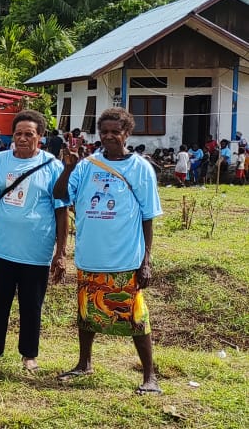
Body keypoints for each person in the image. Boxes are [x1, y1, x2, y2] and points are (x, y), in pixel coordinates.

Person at [54, 107, 163, 394]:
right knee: (86, 313)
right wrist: (68, 166)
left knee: (136, 318)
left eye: (116, 131)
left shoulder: (140, 168)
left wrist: (146, 260)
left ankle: (149, 376)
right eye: (104, 132)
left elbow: (148, 216)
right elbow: (60, 194)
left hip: (125, 258)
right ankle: (84, 363)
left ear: (127, 133)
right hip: (90, 255)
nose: (110, 136)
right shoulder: (87, 165)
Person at [0, 110, 68, 372]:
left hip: (37, 250)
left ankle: (29, 355)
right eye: (18, 134)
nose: (22, 139)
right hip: (2, 247)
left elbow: (62, 211)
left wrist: (61, 252)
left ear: (41, 137)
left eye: (29, 134)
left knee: (31, 305)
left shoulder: (53, 166)